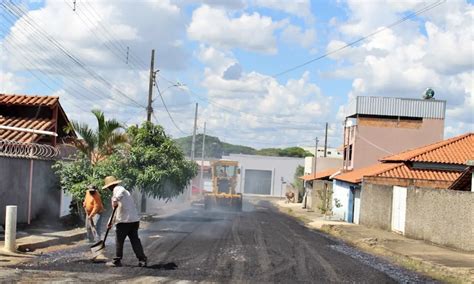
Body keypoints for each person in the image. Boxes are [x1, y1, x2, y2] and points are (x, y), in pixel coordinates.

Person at [102, 176, 147, 267]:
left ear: (111, 186)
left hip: (124, 222)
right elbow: (116, 210)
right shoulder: (123, 194)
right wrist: (110, 221)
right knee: (135, 240)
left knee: (119, 240)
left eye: (108, 187)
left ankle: (117, 260)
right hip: (133, 220)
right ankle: (142, 259)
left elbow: (120, 191)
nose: (108, 189)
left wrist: (115, 199)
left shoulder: (118, 189)